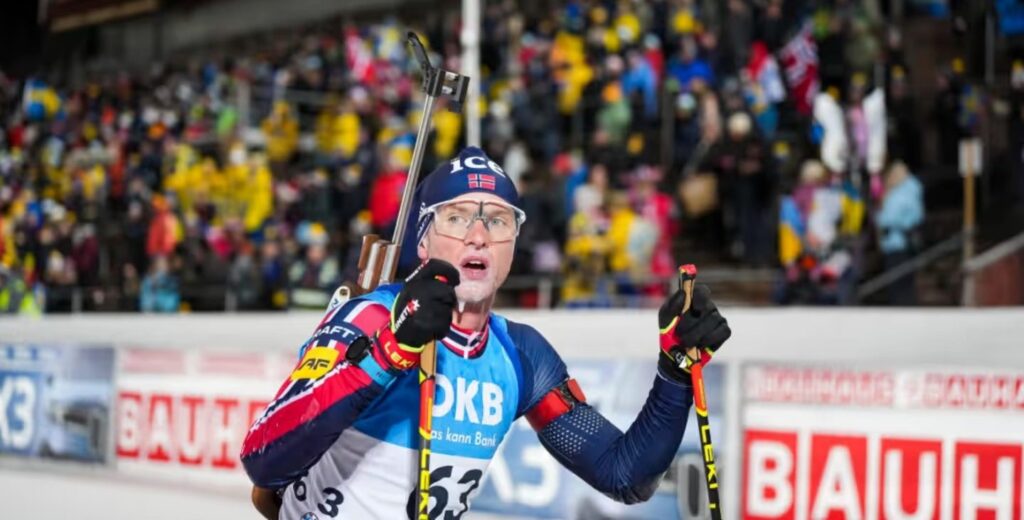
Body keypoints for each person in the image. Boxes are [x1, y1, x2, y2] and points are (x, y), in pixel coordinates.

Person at [239, 147, 732, 519]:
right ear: (424, 238)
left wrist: (673, 373)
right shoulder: (371, 316)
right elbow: (263, 460)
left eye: (497, 220)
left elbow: (625, 475)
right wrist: (389, 354)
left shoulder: (521, 354)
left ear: (513, 244)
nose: (478, 234)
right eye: (457, 217)